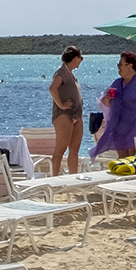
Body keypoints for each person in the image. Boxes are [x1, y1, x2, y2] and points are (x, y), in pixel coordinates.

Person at [48, 47, 85, 176]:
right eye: (81, 58)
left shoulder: (71, 74)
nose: (81, 61)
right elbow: (53, 88)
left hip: (77, 115)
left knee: (74, 149)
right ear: (75, 59)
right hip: (64, 115)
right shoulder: (61, 73)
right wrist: (61, 105)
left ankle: (73, 178)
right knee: (60, 149)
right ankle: (55, 179)